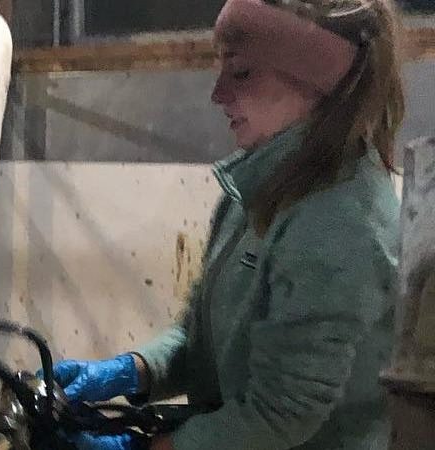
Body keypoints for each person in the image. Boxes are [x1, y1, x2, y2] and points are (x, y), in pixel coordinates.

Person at [52, 0, 407, 449]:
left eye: (240, 73)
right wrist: (131, 370)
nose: (216, 94)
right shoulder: (261, 185)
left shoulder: (343, 221)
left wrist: (143, 449)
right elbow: (198, 339)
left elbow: (281, 413)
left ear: (315, 82)